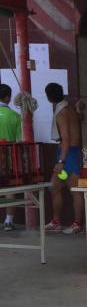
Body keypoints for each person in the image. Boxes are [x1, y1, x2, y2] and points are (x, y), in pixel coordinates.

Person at [43, 83, 85, 234]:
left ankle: (77, 224)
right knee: (54, 187)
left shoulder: (62, 112)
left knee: (75, 191)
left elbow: (66, 139)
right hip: (68, 153)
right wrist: (79, 109)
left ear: (48, 97)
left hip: (68, 155)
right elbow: (80, 118)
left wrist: (61, 161)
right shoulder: (69, 109)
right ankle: (56, 222)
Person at [0, 83, 23, 231]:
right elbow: (20, 141)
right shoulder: (16, 116)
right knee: (9, 188)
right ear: (8, 97)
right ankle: (8, 221)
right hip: (8, 157)